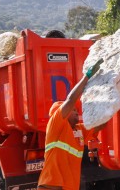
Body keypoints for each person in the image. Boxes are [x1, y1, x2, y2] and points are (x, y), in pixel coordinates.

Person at [37, 58, 104, 190]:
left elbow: (100, 125)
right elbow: (71, 99)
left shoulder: (79, 130)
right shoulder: (56, 123)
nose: (76, 112)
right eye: (73, 110)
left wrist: (112, 104)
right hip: (51, 186)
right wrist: (87, 76)